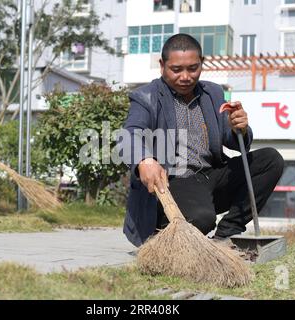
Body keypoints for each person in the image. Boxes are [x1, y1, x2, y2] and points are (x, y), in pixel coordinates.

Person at [121, 34, 284, 247]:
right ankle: (166, 232)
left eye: (193, 68)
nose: (186, 76)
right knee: (201, 220)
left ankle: (227, 233)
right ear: (162, 66)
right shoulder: (146, 97)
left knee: (271, 159)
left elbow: (233, 141)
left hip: (212, 175)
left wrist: (240, 129)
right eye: (176, 69)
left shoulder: (213, 92)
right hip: (175, 181)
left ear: (202, 64)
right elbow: (130, 133)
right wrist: (144, 159)